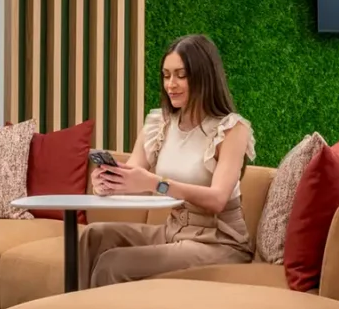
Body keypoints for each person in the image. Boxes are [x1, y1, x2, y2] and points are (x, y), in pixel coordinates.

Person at [80, 34, 255, 287]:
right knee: (94, 236)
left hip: (218, 241)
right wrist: (107, 181)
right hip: (172, 231)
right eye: (166, 75)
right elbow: (134, 173)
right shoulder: (159, 123)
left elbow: (217, 199)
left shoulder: (231, 130)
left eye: (181, 75)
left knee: (114, 263)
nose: (170, 84)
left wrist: (156, 183)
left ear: (203, 76)